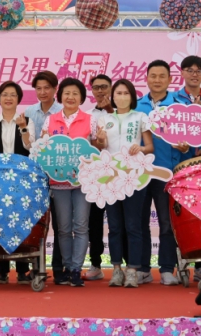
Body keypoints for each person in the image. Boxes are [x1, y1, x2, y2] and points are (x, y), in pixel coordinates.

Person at [135, 60, 191, 286]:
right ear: (146, 78)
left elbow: (191, 143)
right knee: (139, 223)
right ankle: (143, 269)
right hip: (139, 173)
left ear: (170, 80)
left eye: (162, 76)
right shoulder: (136, 106)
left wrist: (186, 149)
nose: (157, 80)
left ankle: (167, 268)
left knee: (167, 223)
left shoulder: (180, 106)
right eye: (153, 76)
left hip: (167, 173)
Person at [95, 79, 153, 288]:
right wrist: (100, 140)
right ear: (113, 96)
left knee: (133, 225)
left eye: (126, 93)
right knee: (115, 226)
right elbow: (101, 147)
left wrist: (141, 149)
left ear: (132, 96)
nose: (121, 97)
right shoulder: (104, 119)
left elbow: (150, 146)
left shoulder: (140, 117)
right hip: (111, 178)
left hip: (134, 177)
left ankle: (132, 270)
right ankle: (117, 269)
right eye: (118, 93)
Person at [41, 78, 98, 287]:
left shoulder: (90, 120)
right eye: (66, 93)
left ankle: (76, 269)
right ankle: (66, 267)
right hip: (58, 182)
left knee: (81, 227)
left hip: (84, 182)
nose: (71, 97)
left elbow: (97, 148)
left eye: (75, 93)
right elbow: (43, 150)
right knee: (63, 228)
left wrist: (100, 141)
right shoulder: (51, 120)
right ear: (60, 96)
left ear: (81, 97)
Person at [0, 81, 32, 285]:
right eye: (4, 94)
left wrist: (23, 128)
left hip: (21, 180)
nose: (8, 98)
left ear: (19, 99)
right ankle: (1, 270)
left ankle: (22, 270)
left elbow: (30, 147)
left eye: (12, 94)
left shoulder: (26, 120)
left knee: (21, 222)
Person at [23, 71, 64, 283]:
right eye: (38, 88)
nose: (42, 92)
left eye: (47, 87)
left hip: (59, 174)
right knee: (36, 223)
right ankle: (36, 267)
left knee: (59, 224)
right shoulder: (29, 112)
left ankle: (58, 268)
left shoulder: (63, 111)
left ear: (55, 89)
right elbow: (27, 144)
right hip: (36, 175)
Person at [84, 74, 115, 281]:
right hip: (96, 176)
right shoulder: (87, 116)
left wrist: (111, 111)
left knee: (117, 223)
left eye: (104, 87)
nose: (100, 91)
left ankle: (122, 265)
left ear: (112, 88)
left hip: (120, 176)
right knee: (94, 221)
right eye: (96, 88)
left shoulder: (125, 113)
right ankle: (96, 263)